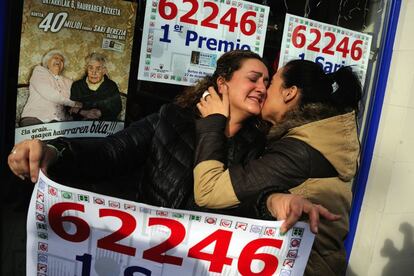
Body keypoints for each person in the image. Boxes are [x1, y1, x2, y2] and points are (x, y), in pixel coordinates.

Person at [8, 50, 336, 233]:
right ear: (222, 82)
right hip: (142, 254)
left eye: (267, 81)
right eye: (253, 78)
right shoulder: (171, 119)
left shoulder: (258, 145)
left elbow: (250, 202)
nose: (262, 88)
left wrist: (276, 202)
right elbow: (109, 152)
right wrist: (54, 150)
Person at [193, 59, 362, 275]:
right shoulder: (314, 139)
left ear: (289, 93)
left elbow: (209, 191)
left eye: (270, 82)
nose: (263, 90)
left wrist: (212, 123)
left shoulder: (299, 151)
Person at [20, 50, 82, 126]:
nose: (59, 60)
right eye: (56, 58)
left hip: (58, 122)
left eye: (62, 60)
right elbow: (49, 93)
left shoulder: (68, 82)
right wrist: (73, 104)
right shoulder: (39, 71)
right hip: (34, 118)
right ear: (47, 62)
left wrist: (79, 108)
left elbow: (77, 97)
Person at [69, 52, 122, 121]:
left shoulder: (111, 86)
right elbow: (70, 108)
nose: (94, 73)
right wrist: (84, 112)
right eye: (91, 68)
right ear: (86, 69)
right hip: (80, 125)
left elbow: (117, 108)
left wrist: (100, 112)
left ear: (104, 71)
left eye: (98, 69)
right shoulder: (77, 85)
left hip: (105, 125)